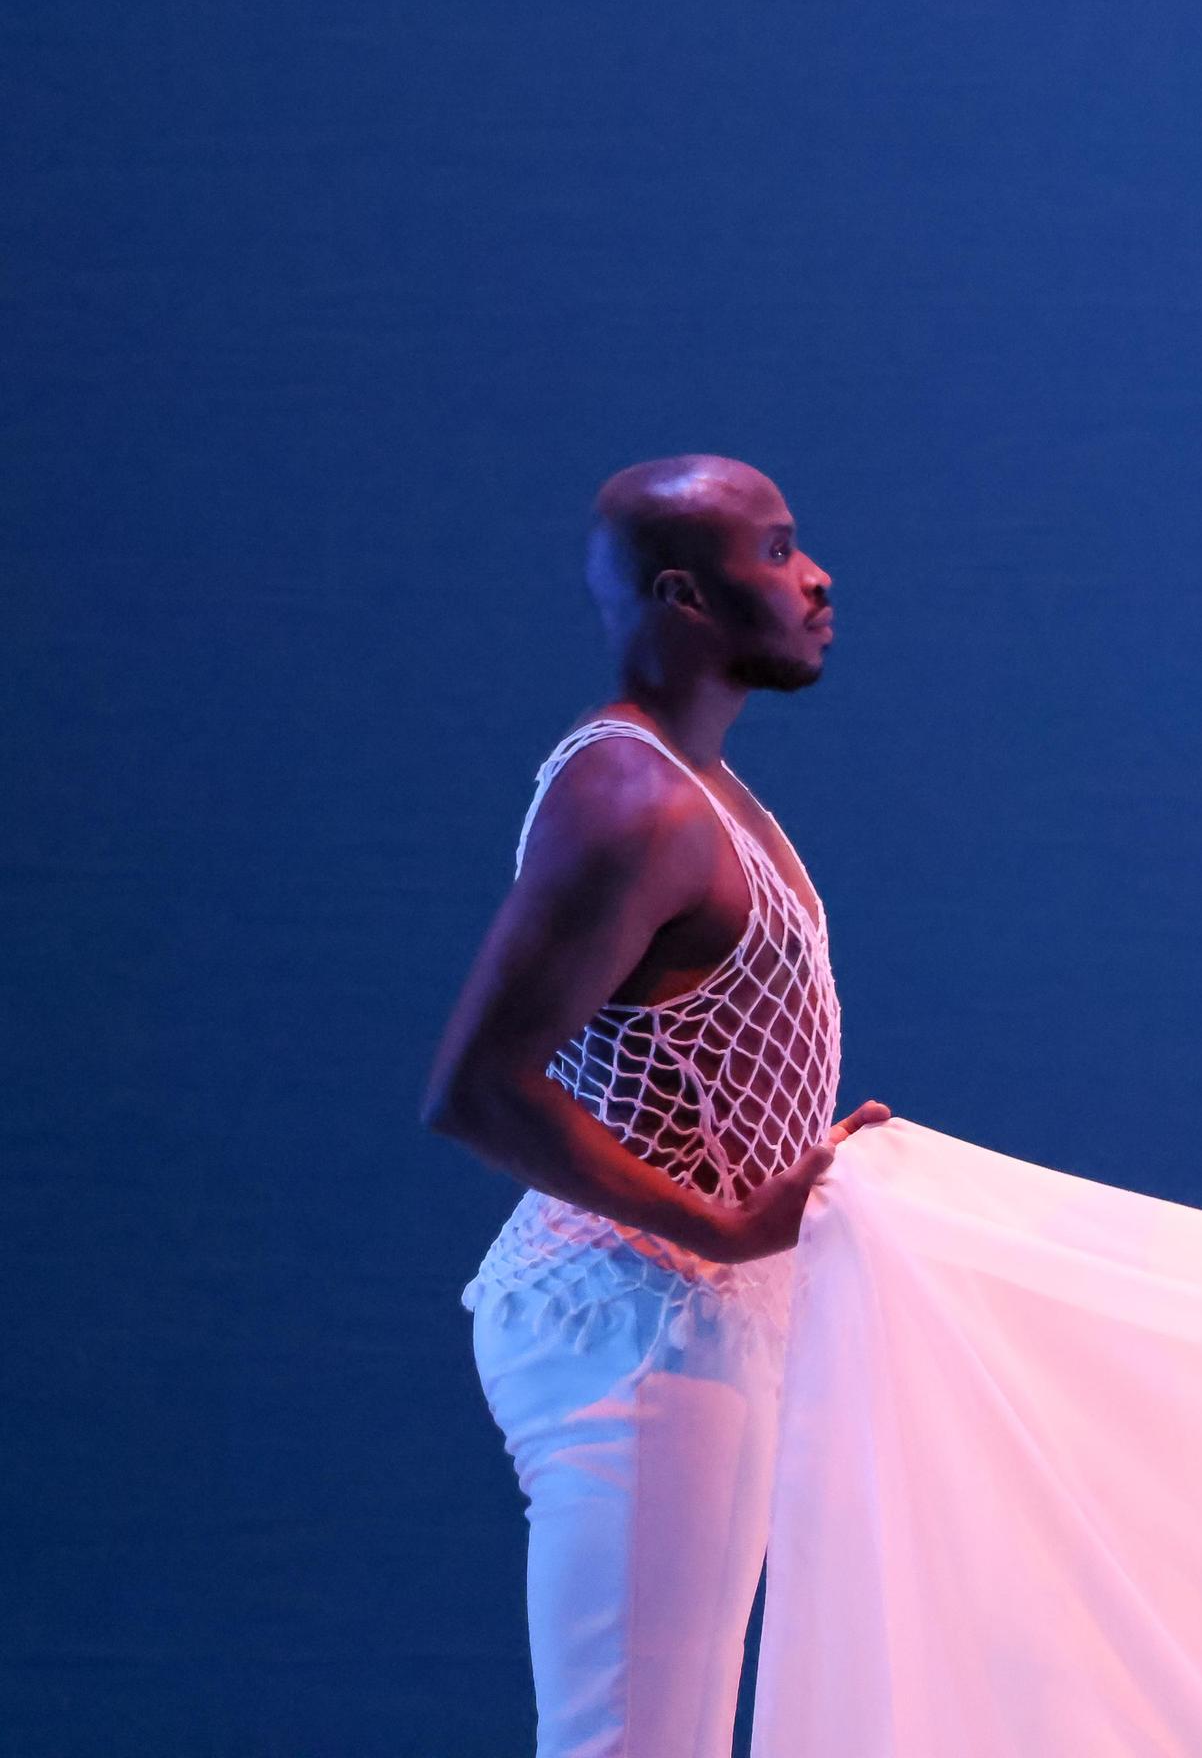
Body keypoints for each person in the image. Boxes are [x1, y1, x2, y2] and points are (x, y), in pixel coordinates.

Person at [424, 456, 887, 1758]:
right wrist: (729, 1227)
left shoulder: (700, 787)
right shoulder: (628, 797)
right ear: (684, 597)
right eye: (779, 552)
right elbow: (477, 1088)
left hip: (689, 1324)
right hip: (641, 1334)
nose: (816, 576)